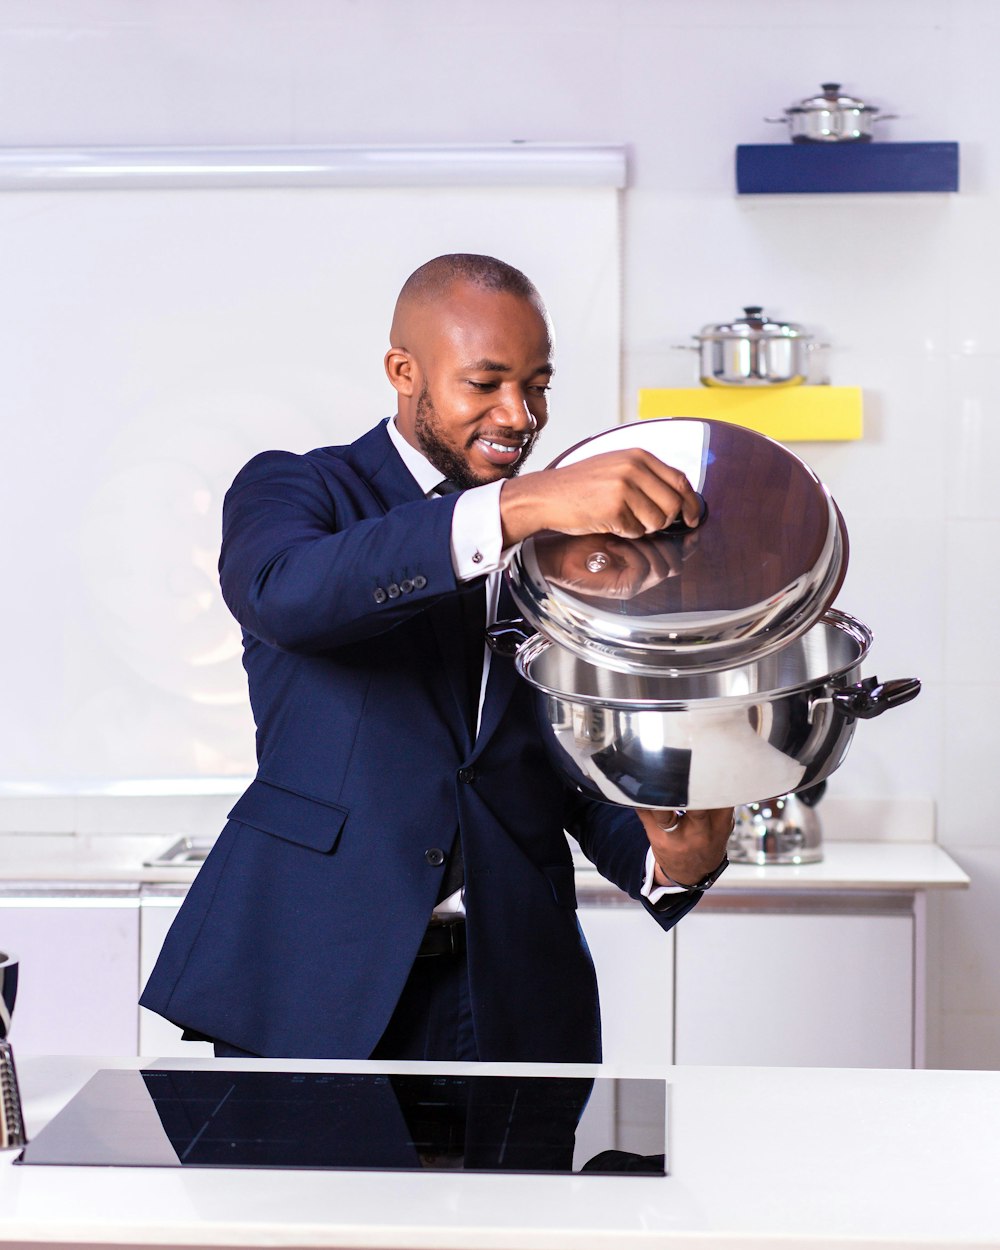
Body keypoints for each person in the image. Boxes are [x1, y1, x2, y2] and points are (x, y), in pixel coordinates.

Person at [140, 253, 734, 1062]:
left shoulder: (566, 551)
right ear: (403, 372)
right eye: (484, 385)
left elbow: (563, 760)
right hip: (307, 978)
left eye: (538, 384)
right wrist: (519, 505)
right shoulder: (297, 489)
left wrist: (671, 859)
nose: (520, 415)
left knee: (528, 1195)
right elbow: (286, 595)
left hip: (514, 992)